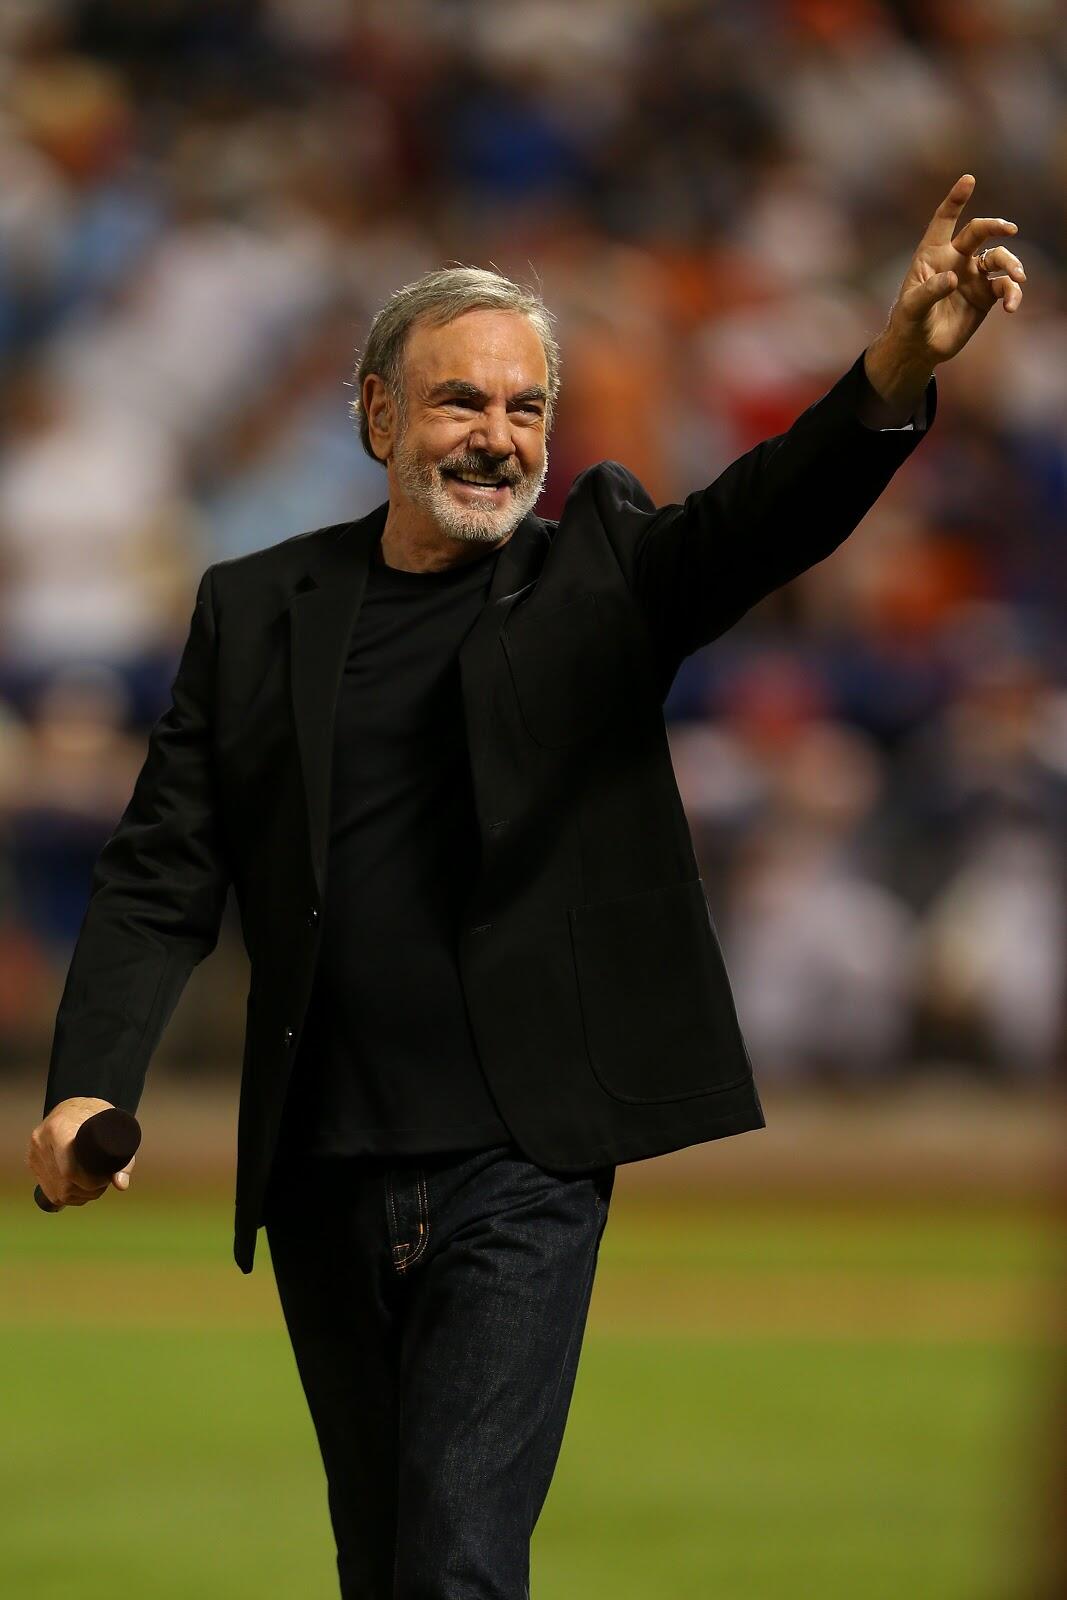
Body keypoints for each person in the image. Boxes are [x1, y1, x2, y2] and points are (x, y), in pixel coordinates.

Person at [27, 174, 1025, 1599]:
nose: (498, 438)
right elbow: (160, 867)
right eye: (459, 404)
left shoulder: (604, 566)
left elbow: (763, 517)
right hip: (324, 1165)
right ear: (378, 418)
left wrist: (896, 368)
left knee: (456, 1569)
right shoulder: (254, 610)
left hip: (522, 1162)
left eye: (524, 410)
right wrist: (85, 1082)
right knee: (384, 1569)